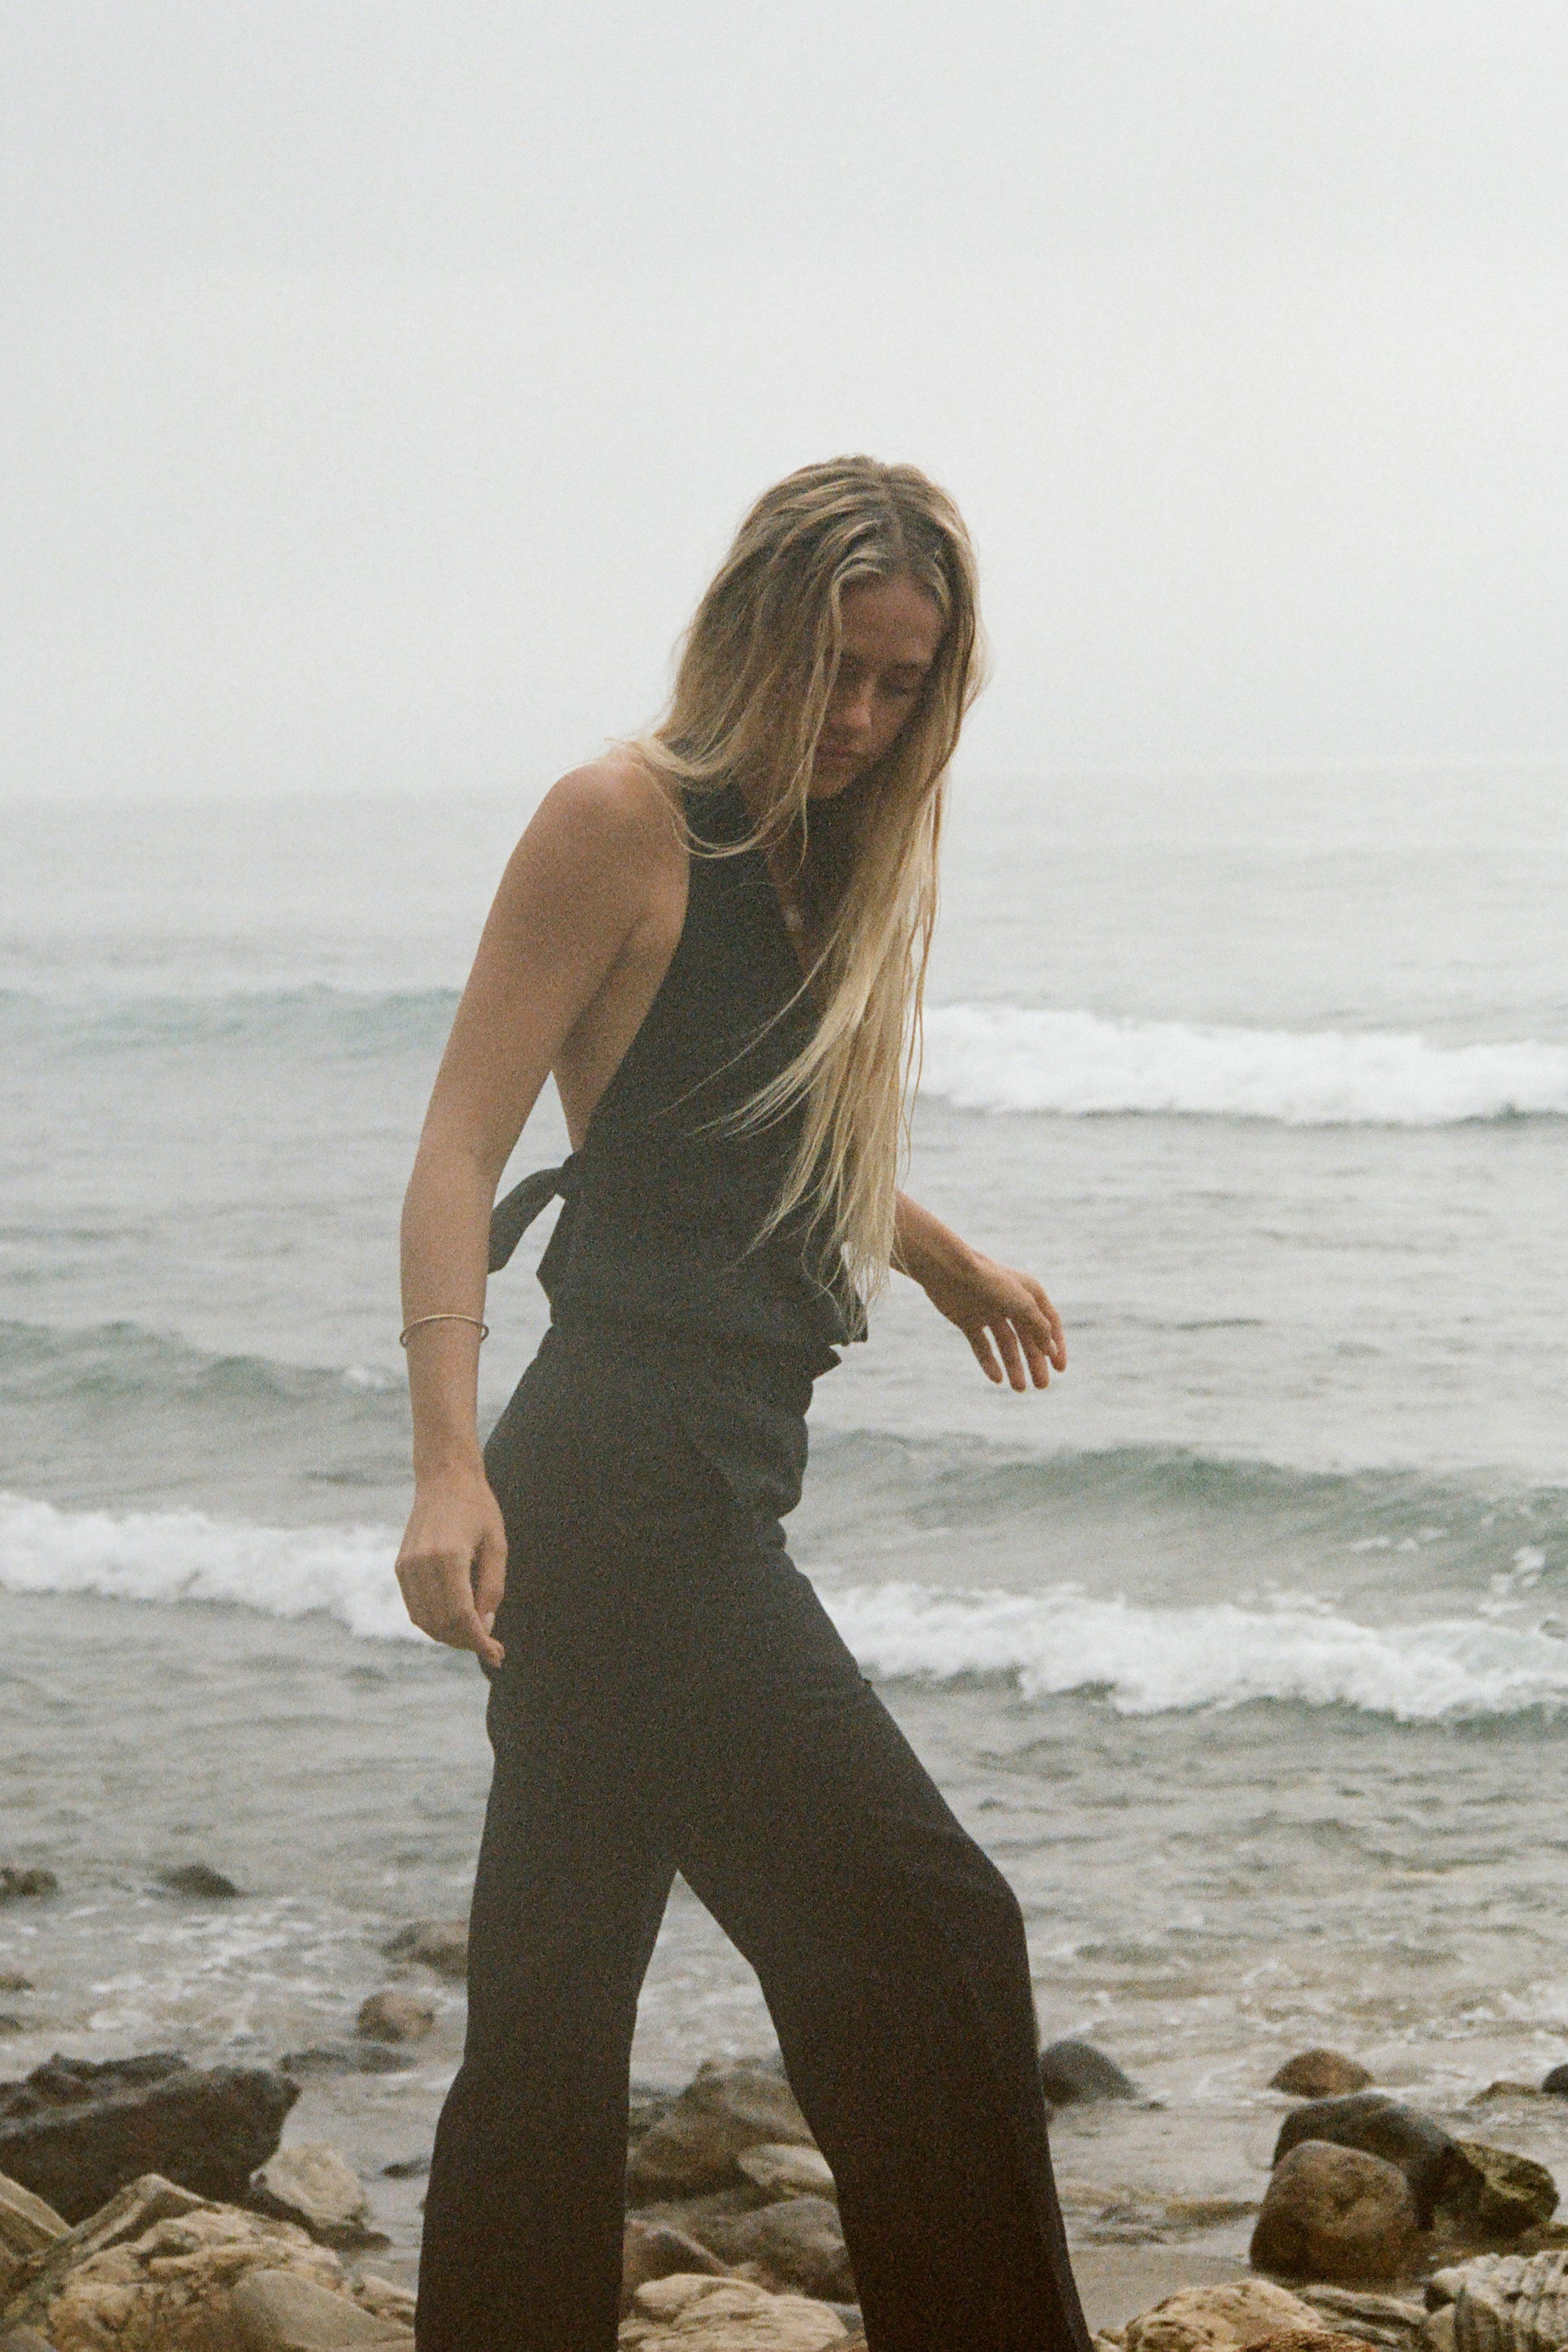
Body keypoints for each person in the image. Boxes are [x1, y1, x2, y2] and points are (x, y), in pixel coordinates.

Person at [396, 456, 1094, 2352]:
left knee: (547, 2029)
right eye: (837, 672)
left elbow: (770, 1125)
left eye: (900, 685)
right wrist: (444, 1466)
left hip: (670, 1484)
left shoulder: (829, 855)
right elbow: (460, 1149)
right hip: (626, 1496)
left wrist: (936, 1256)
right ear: (755, 637)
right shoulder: (620, 820)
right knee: (939, 1939)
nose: (862, 721)